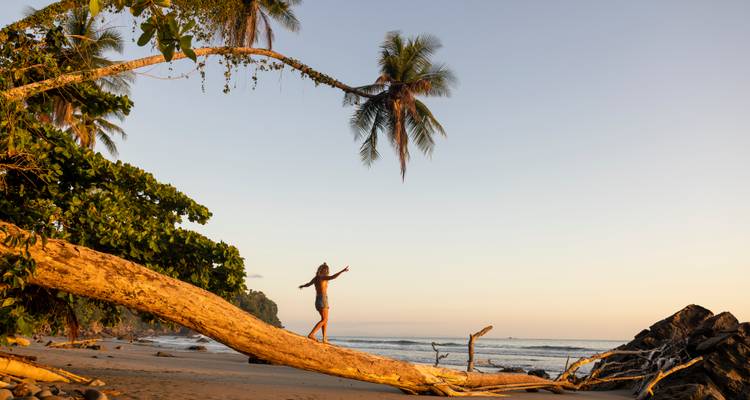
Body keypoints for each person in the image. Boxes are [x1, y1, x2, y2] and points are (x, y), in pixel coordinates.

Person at [298, 262, 349, 343]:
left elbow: (308, 284)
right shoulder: (323, 277)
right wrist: (342, 271)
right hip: (323, 299)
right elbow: (333, 276)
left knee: (324, 319)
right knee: (325, 319)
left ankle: (324, 338)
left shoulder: (316, 278)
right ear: (325, 270)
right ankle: (312, 334)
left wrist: (302, 286)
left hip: (318, 299)